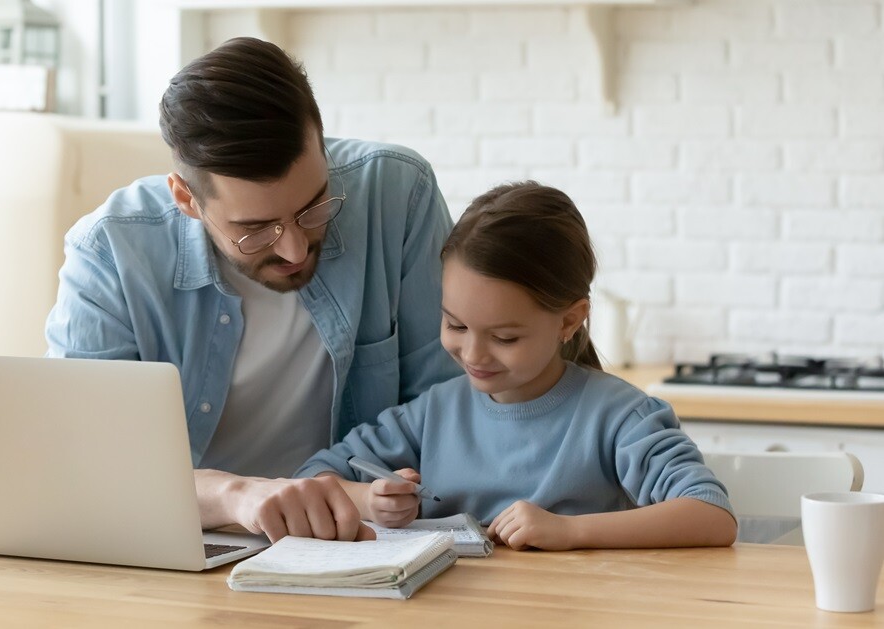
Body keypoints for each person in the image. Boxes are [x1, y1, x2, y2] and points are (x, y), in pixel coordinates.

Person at [45, 37, 460, 542]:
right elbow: (88, 462)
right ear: (186, 199)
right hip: (191, 543)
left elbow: (449, 405)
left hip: (362, 540)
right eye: (256, 229)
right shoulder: (109, 251)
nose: (295, 250)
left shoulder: (397, 194)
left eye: (314, 206)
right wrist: (237, 495)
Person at [296, 182, 738, 550]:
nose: (473, 354)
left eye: (505, 338)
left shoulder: (621, 416)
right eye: (455, 325)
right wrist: (369, 500)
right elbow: (312, 477)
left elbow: (712, 514)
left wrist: (570, 531)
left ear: (569, 321)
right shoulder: (432, 413)